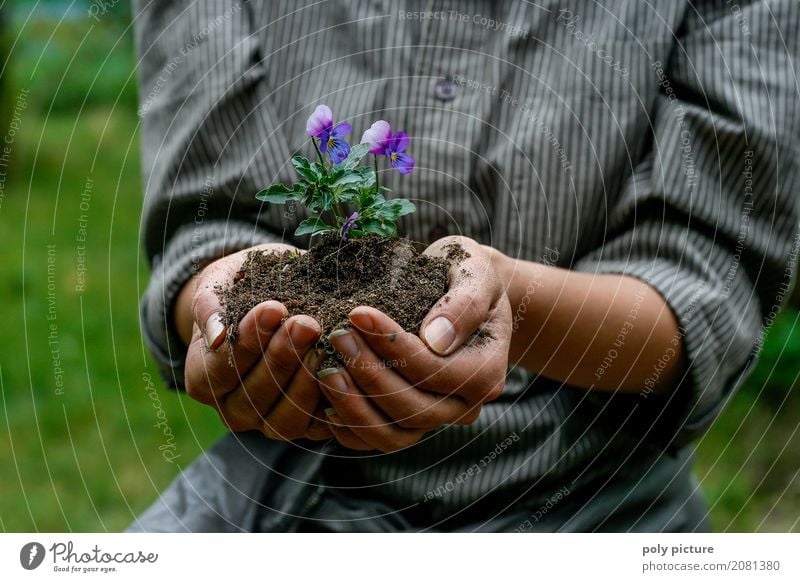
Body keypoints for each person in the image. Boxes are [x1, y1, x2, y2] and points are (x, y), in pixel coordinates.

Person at [128, 0, 799, 532]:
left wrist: (512, 305)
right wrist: (225, 303)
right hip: (292, 476)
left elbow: (712, 276)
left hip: (589, 489)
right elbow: (203, 217)